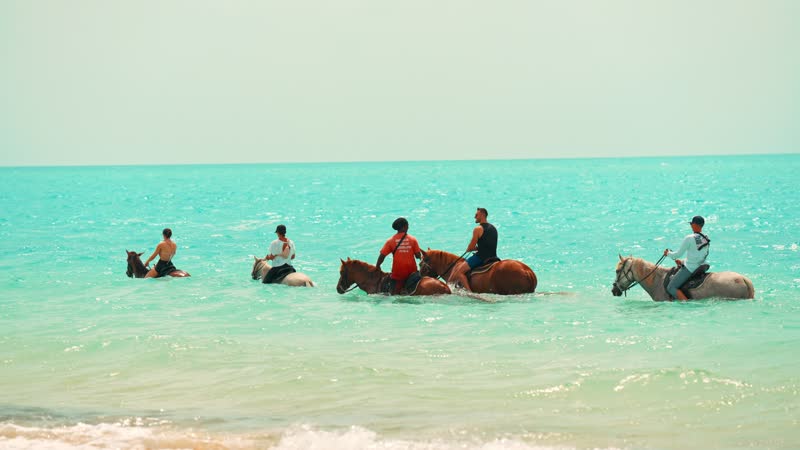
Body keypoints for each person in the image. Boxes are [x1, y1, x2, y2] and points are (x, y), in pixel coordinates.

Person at [664, 215, 711, 301]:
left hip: (691, 268)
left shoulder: (689, 238)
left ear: (695, 225)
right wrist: (682, 262)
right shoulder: (706, 237)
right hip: (702, 266)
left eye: (691, 224)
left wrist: (668, 253)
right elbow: (699, 255)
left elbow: (676, 255)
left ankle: (686, 304)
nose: (691, 226)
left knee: (671, 287)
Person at [452, 207, 498, 291]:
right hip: (494, 257)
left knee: (459, 272)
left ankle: (469, 292)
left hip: (481, 257)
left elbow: (470, 247)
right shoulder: (493, 228)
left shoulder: (478, 229)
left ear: (483, 215)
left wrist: (470, 249)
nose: (475, 217)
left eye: (476, 215)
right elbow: (488, 244)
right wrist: (478, 247)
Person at [375, 217, 422, 294]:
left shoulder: (390, 241)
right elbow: (418, 256)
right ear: (404, 227)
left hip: (398, 273)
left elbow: (382, 255)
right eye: (407, 225)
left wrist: (378, 266)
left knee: (393, 294)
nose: (408, 227)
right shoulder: (413, 239)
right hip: (412, 273)